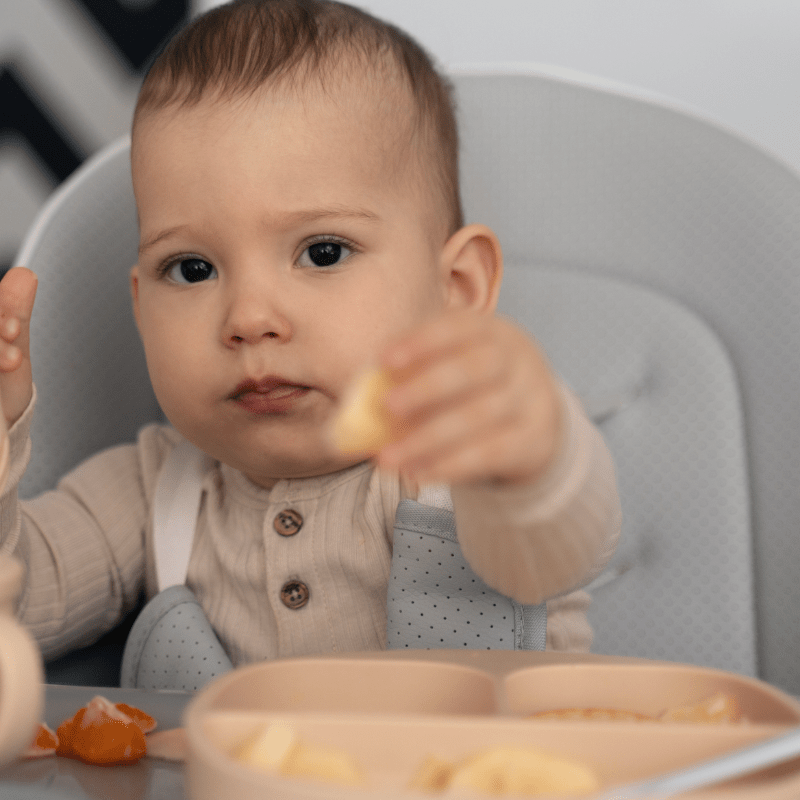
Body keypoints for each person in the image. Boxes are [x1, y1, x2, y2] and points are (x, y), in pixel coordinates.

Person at [0, 0, 620, 677]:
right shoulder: (154, 489)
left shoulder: (458, 457)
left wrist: (532, 450)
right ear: (143, 309)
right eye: (193, 269)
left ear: (458, 291)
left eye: (323, 252)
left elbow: (558, 546)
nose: (249, 317)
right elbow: (20, 606)